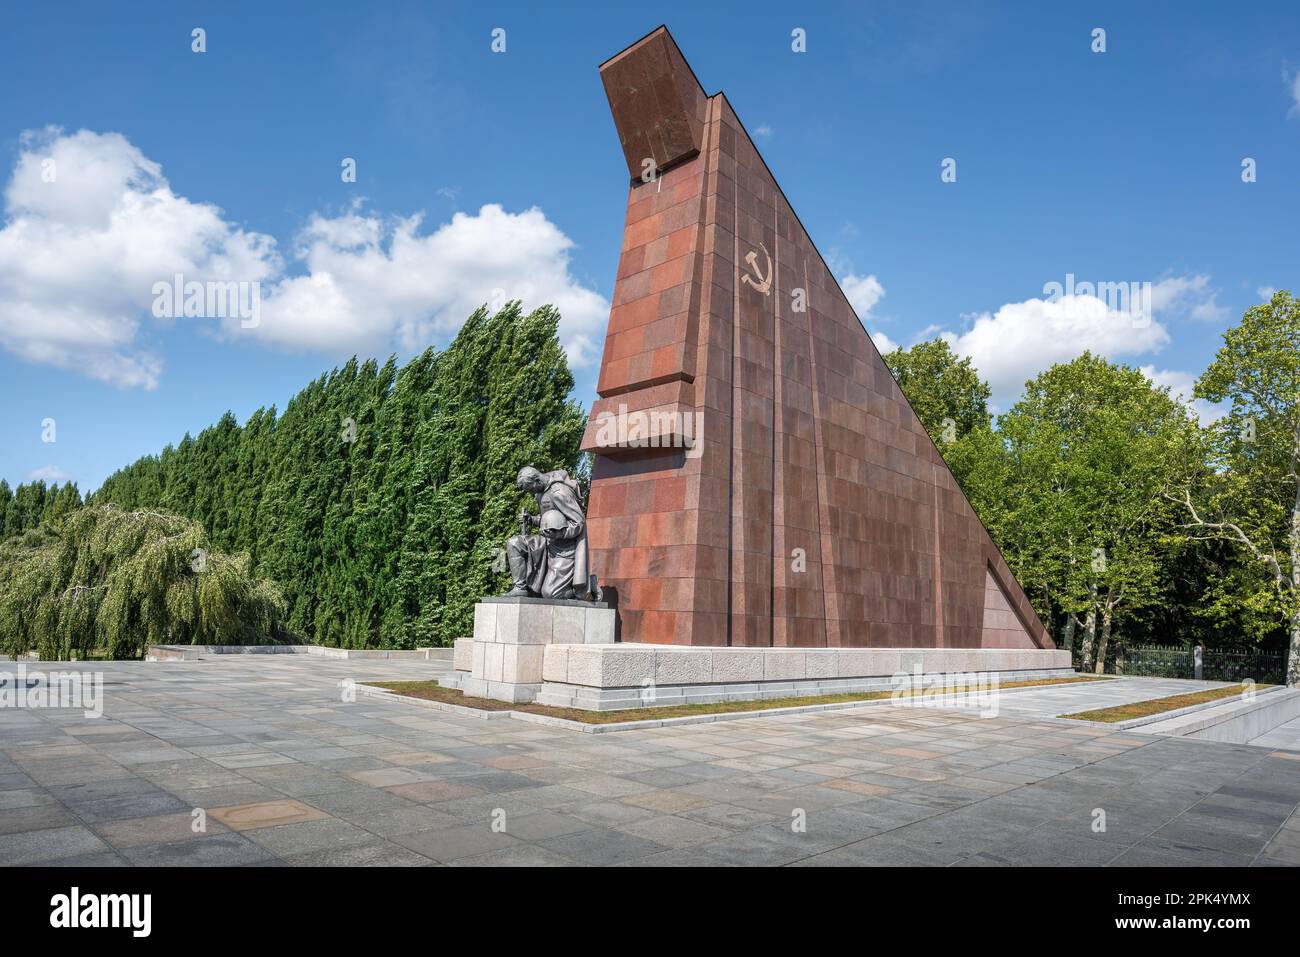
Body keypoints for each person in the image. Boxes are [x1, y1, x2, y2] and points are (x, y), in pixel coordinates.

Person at [503, 466, 594, 600]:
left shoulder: (559, 493)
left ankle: (588, 586)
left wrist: (558, 534)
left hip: (564, 550)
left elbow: (578, 523)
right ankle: (520, 588)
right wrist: (532, 520)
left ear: (536, 481)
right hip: (547, 541)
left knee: (551, 594)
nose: (531, 493)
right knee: (515, 543)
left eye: (531, 489)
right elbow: (549, 520)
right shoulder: (541, 492)